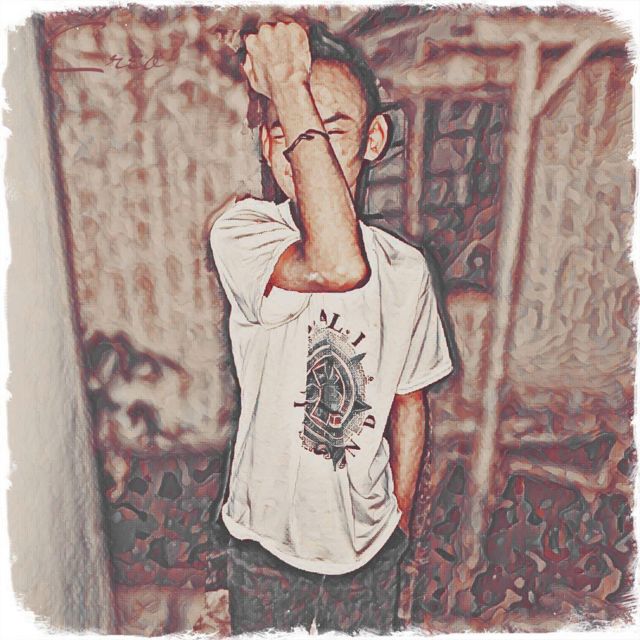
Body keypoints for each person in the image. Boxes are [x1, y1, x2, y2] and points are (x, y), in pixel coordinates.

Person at [209, 18, 454, 636]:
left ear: (374, 139)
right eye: (286, 129)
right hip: (264, 543)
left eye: (328, 128)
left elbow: (410, 400)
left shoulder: (405, 270)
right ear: (267, 143)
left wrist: (400, 518)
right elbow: (336, 264)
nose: (301, 147)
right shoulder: (245, 233)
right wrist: (285, 86)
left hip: (368, 546)